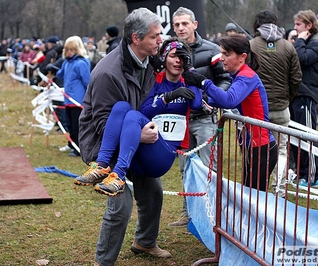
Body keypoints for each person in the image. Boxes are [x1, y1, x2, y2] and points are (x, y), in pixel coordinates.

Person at [78, 8, 171, 265]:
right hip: (104, 144)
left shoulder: (152, 61)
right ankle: (103, 262)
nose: (160, 41)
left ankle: (144, 242)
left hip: (134, 136)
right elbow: (101, 124)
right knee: (120, 207)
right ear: (135, 38)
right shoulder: (108, 72)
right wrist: (138, 136)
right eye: (155, 36)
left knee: (153, 191)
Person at [75, 38, 201, 197]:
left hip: (163, 154)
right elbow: (145, 111)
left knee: (133, 115)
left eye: (183, 57)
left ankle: (119, 175)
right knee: (121, 107)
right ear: (164, 58)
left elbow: (196, 103)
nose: (178, 61)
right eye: (173, 56)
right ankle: (101, 164)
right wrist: (166, 98)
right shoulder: (155, 81)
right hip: (140, 150)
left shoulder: (187, 83)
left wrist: (190, 70)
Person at [182, 34, 278, 192]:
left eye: (227, 54)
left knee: (255, 199)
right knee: (250, 196)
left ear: (242, 57)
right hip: (252, 145)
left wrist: (204, 82)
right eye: (221, 54)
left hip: (261, 146)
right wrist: (205, 99)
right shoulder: (239, 76)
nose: (221, 58)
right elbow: (222, 100)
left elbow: (229, 100)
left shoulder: (246, 76)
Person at [168, 6, 231, 227]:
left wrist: (210, 98)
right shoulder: (169, 49)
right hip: (180, 119)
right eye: (176, 24)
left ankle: (212, 213)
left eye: (185, 23)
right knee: (185, 168)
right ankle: (188, 213)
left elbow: (225, 79)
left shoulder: (212, 49)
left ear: (195, 24)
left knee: (207, 167)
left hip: (205, 118)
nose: (180, 28)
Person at [249, 10, 302, 196]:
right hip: (281, 108)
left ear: (256, 24)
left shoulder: (251, 45)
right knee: (281, 149)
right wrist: (288, 97)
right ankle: (278, 188)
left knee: (256, 148)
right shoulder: (288, 46)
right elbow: (296, 78)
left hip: (257, 110)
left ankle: (257, 187)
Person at [290, 10, 318, 187]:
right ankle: (300, 173)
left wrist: (300, 41)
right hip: (295, 95)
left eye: (298, 25)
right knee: (296, 138)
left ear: (308, 26)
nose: (295, 28)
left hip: (306, 95)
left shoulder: (317, 44)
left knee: (307, 136)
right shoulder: (303, 43)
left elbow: (301, 59)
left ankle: (312, 176)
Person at [56, 36, 91, 157]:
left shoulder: (81, 63)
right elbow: (61, 75)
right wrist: (54, 68)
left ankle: (78, 147)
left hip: (78, 100)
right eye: (67, 50)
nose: (69, 52)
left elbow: (88, 82)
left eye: (72, 50)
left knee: (77, 125)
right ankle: (71, 143)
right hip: (68, 99)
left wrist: (89, 100)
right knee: (69, 123)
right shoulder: (66, 62)